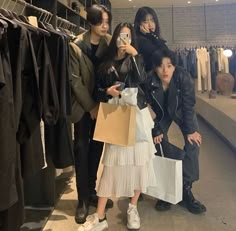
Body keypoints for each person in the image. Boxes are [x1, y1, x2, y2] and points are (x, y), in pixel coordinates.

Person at [77, 22, 156, 231]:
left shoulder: (136, 58)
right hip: (116, 115)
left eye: (128, 36)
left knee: (139, 163)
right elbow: (98, 89)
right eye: (121, 35)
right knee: (111, 165)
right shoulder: (106, 61)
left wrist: (135, 54)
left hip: (137, 115)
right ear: (115, 38)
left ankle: (132, 207)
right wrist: (107, 93)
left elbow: (142, 80)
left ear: (132, 39)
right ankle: (100, 216)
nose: (124, 40)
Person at [145, 48, 207, 214]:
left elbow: (188, 105)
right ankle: (165, 190)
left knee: (194, 143)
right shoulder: (149, 80)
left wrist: (191, 130)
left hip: (180, 110)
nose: (165, 70)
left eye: (169, 65)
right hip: (160, 115)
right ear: (155, 67)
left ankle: (186, 188)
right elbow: (145, 106)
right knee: (157, 144)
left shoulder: (183, 77)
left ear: (175, 66)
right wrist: (156, 129)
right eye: (161, 66)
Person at [69, 4, 113, 224]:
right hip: (83, 108)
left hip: (103, 105)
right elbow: (74, 81)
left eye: (107, 21)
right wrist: (91, 107)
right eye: (100, 21)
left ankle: (92, 190)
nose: (105, 26)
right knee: (81, 149)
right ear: (91, 22)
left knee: (97, 149)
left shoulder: (108, 44)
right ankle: (82, 199)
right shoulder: (76, 45)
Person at [134, 6, 168, 72]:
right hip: (148, 80)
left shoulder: (152, 38)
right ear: (139, 25)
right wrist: (150, 35)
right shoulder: (141, 41)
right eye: (145, 21)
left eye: (152, 20)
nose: (150, 24)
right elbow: (164, 55)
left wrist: (150, 36)